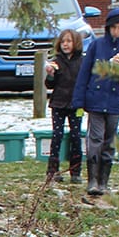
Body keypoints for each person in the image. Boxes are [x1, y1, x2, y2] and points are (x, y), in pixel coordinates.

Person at [72, 8, 119, 198]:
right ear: (108, 27)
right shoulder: (96, 46)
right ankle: (92, 179)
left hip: (115, 102)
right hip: (95, 99)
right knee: (95, 139)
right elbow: (84, 73)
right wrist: (78, 100)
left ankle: (104, 180)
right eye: (113, 27)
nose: (116, 31)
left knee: (109, 141)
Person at [44, 29, 84, 183]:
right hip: (59, 104)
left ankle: (76, 171)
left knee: (75, 136)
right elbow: (49, 84)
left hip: (76, 105)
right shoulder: (57, 61)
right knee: (57, 135)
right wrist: (50, 75)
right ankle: (53, 171)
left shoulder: (82, 62)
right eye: (63, 41)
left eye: (69, 41)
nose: (65, 44)